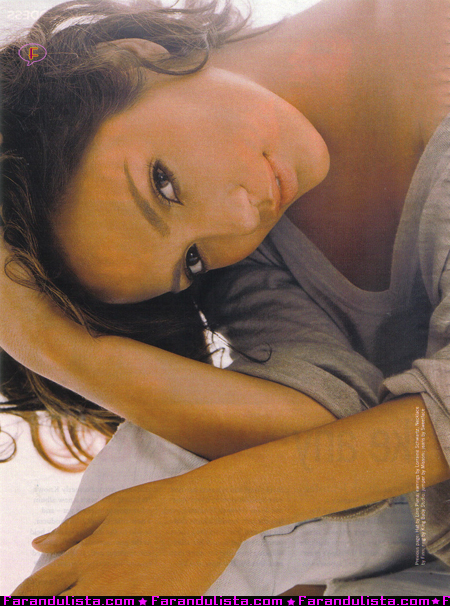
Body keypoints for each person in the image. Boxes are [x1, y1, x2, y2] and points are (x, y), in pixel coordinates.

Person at [1, 0, 450, 596]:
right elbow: (320, 425)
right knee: (161, 465)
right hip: (413, 530)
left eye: (163, 185)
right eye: (191, 260)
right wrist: (55, 344)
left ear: (128, 58)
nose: (239, 220)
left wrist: (220, 508)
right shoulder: (248, 240)